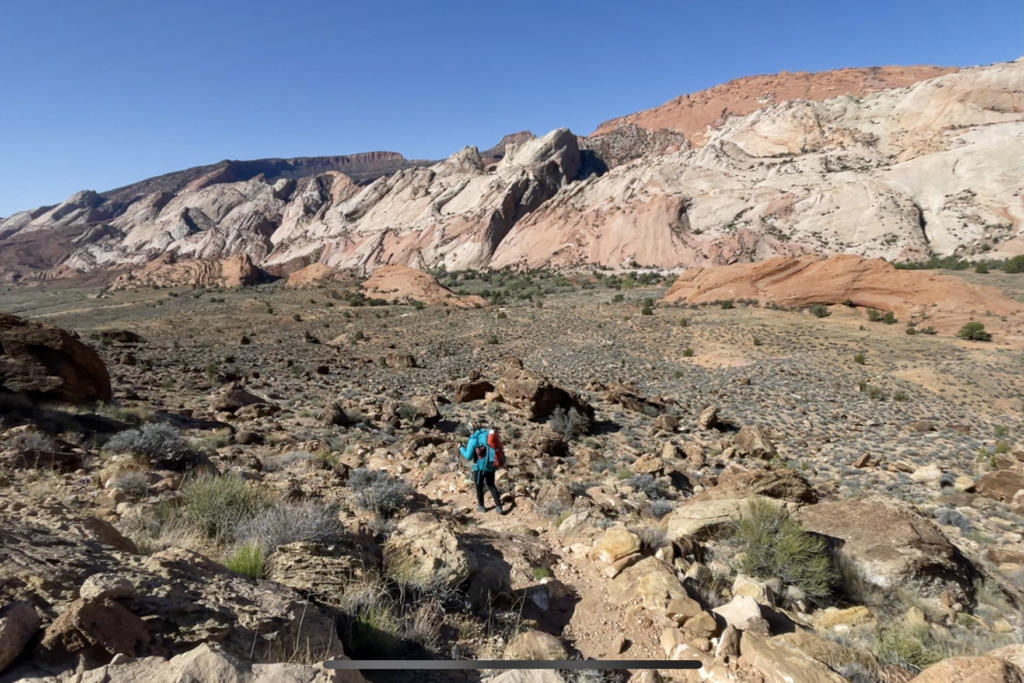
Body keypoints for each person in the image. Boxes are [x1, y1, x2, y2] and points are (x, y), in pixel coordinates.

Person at [460, 426, 506, 514]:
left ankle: (481, 507)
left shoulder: (473, 439)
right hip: (490, 465)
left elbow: (468, 456)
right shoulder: (488, 435)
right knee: (491, 485)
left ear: (471, 430)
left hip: (479, 468)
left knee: (479, 487)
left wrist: (461, 448)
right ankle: (499, 507)